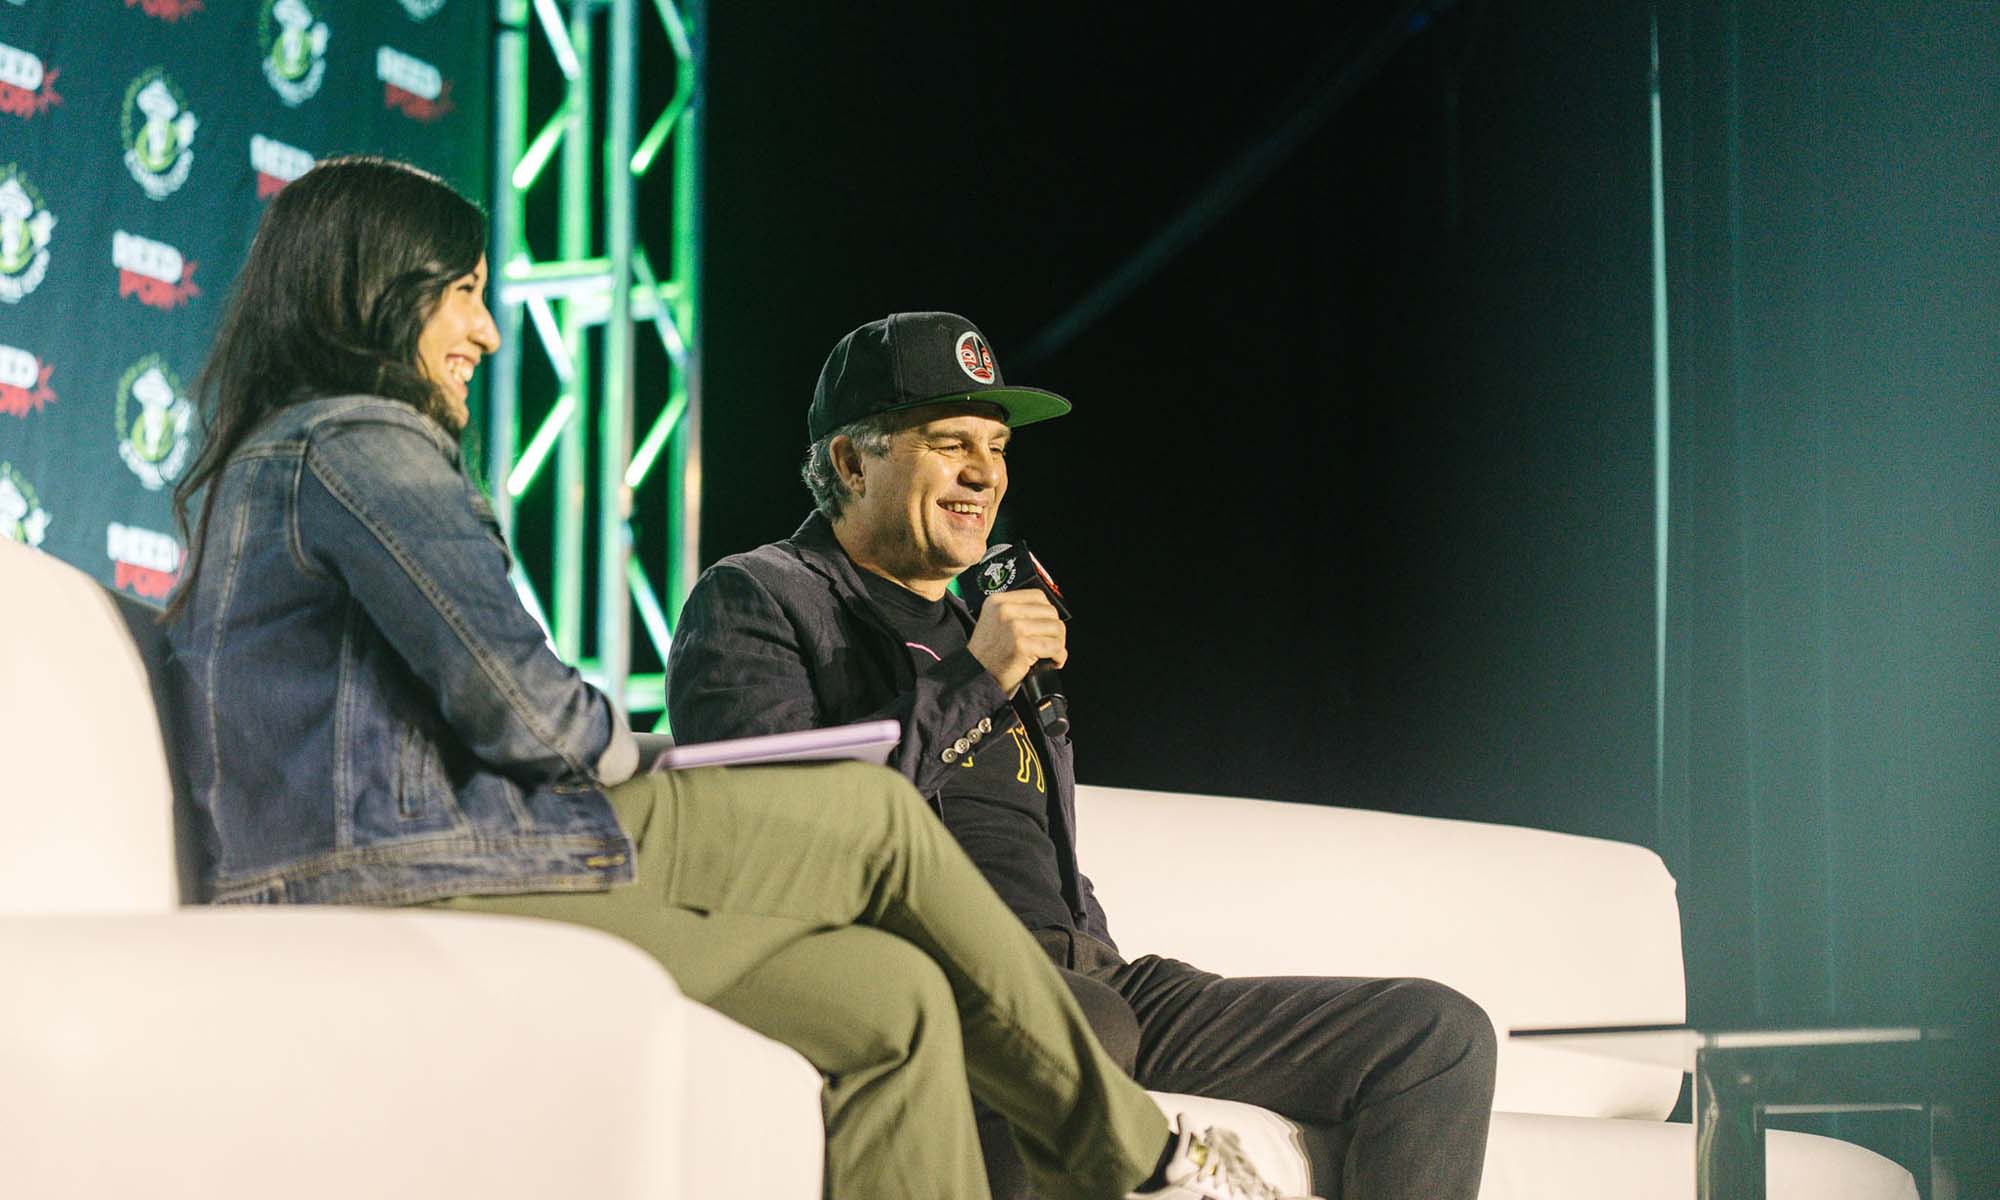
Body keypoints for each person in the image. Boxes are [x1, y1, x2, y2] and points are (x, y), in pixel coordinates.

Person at [163, 159, 1311, 1200]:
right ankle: (1149, 1160)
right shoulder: (358, 441)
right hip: (411, 872)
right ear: (376, 288)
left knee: (894, 1004)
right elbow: (526, 714)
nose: (487, 330)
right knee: (866, 810)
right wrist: (652, 758)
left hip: (414, 867)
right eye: (462, 292)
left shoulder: (284, 456)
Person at [665, 312, 1501, 1200]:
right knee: (1085, 1022)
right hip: (931, 976)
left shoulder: (978, 621)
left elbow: (1035, 845)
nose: (986, 473)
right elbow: (782, 836)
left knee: (1434, 1036)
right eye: (951, 444)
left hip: (1089, 976)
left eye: (996, 445)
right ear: (850, 462)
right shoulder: (761, 599)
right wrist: (975, 678)